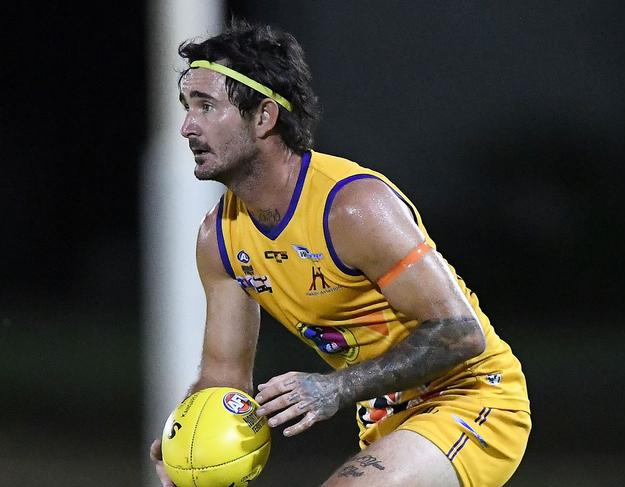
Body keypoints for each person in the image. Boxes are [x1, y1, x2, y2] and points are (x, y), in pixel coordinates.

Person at [150, 18, 531, 487]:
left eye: (206, 106)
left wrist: (336, 386)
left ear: (264, 116)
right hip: (386, 418)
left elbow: (459, 334)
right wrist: (187, 439)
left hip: (472, 398)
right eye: (187, 106)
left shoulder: (351, 207)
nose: (187, 125)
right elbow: (224, 376)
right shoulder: (220, 239)